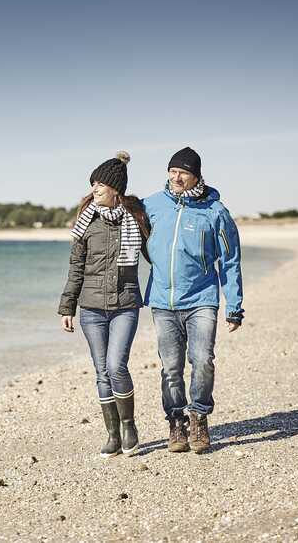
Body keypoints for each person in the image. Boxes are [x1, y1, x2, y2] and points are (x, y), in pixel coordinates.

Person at [143, 146, 244, 454]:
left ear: (196, 176)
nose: (175, 177)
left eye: (182, 172)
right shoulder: (152, 205)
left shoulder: (216, 212)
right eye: (172, 171)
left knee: (202, 361)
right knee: (170, 368)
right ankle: (176, 423)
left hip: (202, 299)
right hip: (162, 300)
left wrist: (235, 305)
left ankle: (199, 416)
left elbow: (230, 260)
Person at [58, 151, 150, 458]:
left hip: (125, 305)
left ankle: (129, 426)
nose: (95, 189)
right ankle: (112, 435)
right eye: (93, 183)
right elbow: (76, 268)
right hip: (91, 309)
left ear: (115, 189)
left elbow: (157, 256)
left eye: (100, 184)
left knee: (115, 366)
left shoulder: (136, 219)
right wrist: (67, 307)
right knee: (101, 372)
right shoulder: (87, 222)